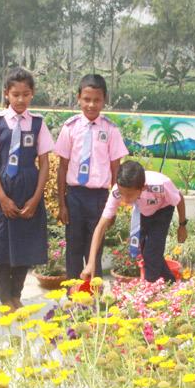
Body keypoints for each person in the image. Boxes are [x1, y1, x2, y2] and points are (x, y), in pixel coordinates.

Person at [0, 67, 54, 309]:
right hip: (2, 186)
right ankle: (5, 297)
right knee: (2, 244)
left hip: (28, 186)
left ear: (32, 94)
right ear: (6, 94)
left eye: (25, 94)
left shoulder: (37, 123)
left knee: (25, 242)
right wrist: (1, 196)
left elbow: (44, 163)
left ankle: (17, 295)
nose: (20, 99)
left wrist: (35, 198)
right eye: (15, 94)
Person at [55, 74, 129, 279]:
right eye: (86, 99)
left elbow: (116, 170)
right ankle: (73, 293)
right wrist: (62, 203)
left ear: (104, 100)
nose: (91, 105)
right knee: (74, 247)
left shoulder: (111, 130)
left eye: (97, 100)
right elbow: (62, 168)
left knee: (94, 248)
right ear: (78, 97)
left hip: (99, 198)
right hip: (75, 196)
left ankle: (92, 296)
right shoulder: (69, 128)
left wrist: (113, 205)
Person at [80, 161, 186, 282]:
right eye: (122, 194)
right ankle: (170, 282)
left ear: (143, 187)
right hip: (143, 212)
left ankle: (150, 289)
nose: (125, 199)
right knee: (147, 251)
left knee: (151, 253)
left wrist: (182, 225)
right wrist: (90, 263)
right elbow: (100, 227)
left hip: (163, 210)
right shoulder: (116, 191)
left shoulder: (161, 185)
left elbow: (179, 199)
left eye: (129, 195)